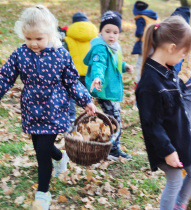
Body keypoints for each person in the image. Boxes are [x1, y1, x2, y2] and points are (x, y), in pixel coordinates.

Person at [0, 5, 97, 209]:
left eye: (39, 38)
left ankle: (43, 192)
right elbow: (5, 76)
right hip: (31, 109)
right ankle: (60, 156)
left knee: (42, 152)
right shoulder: (20, 54)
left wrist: (85, 100)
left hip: (54, 109)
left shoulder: (60, 55)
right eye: (29, 38)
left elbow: (72, 81)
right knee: (39, 146)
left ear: (50, 34)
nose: (33, 44)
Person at [135, 16, 191, 210]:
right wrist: (167, 151)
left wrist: (187, 136)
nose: (183, 58)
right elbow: (151, 124)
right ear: (172, 48)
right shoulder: (149, 83)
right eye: (183, 54)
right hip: (166, 145)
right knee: (174, 181)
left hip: (181, 137)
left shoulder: (169, 69)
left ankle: (178, 205)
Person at [84, 10, 133, 160]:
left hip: (111, 90)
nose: (111, 35)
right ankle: (112, 149)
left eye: (115, 32)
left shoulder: (114, 47)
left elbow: (115, 63)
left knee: (114, 120)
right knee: (114, 121)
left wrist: (124, 66)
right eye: (107, 31)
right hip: (104, 90)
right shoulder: (101, 48)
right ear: (101, 31)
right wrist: (97, 78)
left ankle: (110, 147)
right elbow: (99, 64)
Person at [63, 12, 98, 124]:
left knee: (71, 97)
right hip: (89, 73)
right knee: (88, 98)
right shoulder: (94, 38)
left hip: (74, 74)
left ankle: (71, 117)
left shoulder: (68, 39)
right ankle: (92, 117)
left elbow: (63, 53)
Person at [132, 0, 158, 82]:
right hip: (154, 43)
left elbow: (139, 32)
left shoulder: (141, 18)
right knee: (151, 64)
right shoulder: (152, 16)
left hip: (144, 43)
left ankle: (140, 83)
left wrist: (136, 33)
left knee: (140, 64)